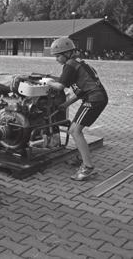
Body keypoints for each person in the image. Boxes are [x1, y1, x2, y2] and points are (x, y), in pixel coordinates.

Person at [46, 37, 108, 181]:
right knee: (76, 129)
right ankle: (82, 157)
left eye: (58, 55)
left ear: (67, 53)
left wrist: (48, 82)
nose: (56, 59)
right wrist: (65, 105)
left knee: (74, 130)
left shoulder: (70, 65)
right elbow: (79, 91)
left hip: (94, 99)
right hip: (96, 97)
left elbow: (61, 86)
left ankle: (88, 168)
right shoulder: (78, 63)